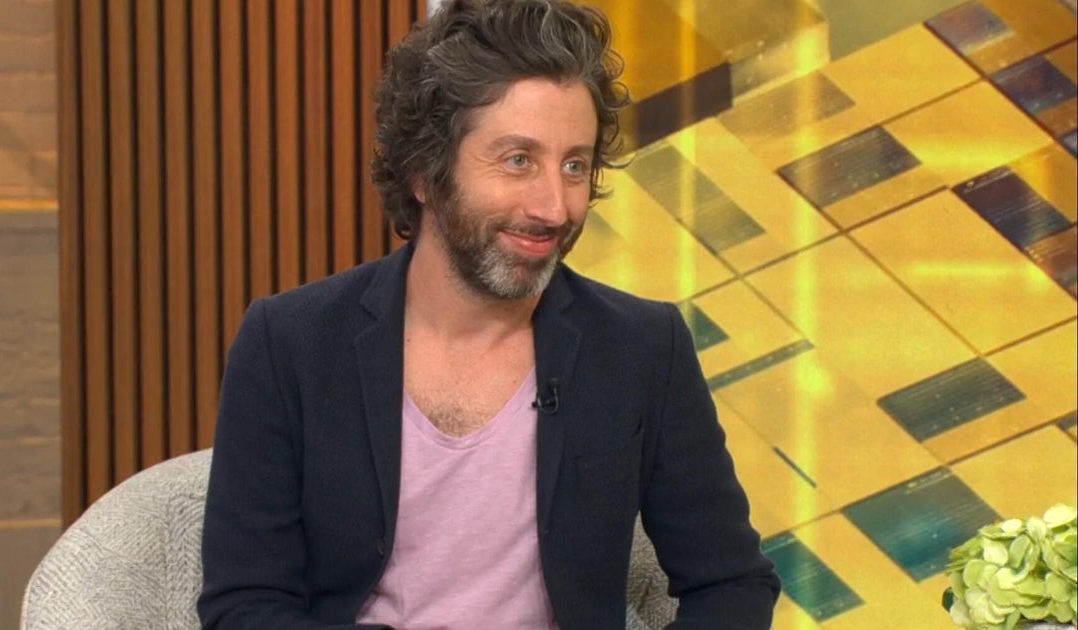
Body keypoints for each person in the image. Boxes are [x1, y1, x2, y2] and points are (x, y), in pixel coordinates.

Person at [198, 0, 780, 628]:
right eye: (518, 160)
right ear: (424, 172)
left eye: (575, 165)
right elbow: (243, 606)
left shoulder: (643, 350)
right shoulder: (289, 344)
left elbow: (733, 585)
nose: (554, 207)